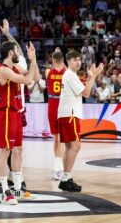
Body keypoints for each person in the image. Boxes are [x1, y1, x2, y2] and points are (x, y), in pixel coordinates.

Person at [0, 41, 38, 205]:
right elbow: (27, 81)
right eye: (15, 52)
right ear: (9, 53)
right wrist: (31, 61)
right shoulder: (4, 70)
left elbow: (33, 77)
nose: (18, 54)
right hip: (5, 113)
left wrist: (33, 59)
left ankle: (18, 188)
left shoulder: (14, 68)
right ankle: (5, 191)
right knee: (5, 152)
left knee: (18, 150)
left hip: (15, 112)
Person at [57, 51, 103, 192]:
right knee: (75, 146)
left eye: (79, 60)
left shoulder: (70, 75)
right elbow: (86, 93)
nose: (78, 62)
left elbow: (83, 90)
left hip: (66, 114)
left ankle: (66, 178)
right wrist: (94, 76)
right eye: (75, 60)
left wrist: (90, 77)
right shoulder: (70, 75)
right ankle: (66, 178)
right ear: (68, 61)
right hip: (70, 115)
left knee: (70, 147)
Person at [45, 50, 66, 180]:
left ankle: (57, 165)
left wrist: (56, 57)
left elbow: (55, 65)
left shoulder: (48, 72)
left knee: (56, 138)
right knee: (62, 138)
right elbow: (64, 67)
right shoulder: (66, 73)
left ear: (52, 60)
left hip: (52, 105)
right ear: (63, 60)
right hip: (62, 105)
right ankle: (58, 167)